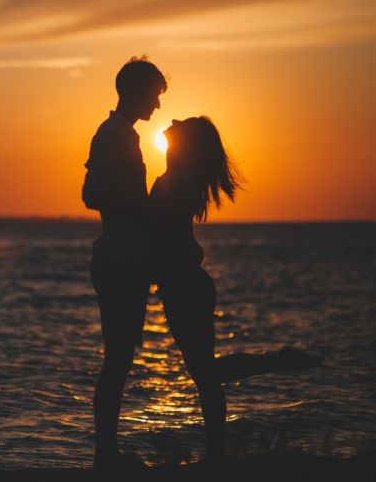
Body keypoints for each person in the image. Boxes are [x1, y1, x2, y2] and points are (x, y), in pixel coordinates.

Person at [150, 117, 322, 464]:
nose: (173, 120)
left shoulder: (178, 181)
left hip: (185, 286)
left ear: (186, 143)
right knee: (206, 375)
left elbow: (159, 231)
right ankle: (216, 454)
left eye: (181, 123)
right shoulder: (177, 177)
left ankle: (276, 362)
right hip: (183, 285)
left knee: (206, 374)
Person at [82, 56, 166, 471]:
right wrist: (140, 207)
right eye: (153, 95)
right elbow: (91, 193)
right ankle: (106, 457)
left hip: (126, 258)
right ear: (133, 92)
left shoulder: (123, 135)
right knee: (116, 359)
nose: (157, 104)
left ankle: (108, 455)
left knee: (119, 358)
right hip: (118, 259)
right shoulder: (114, 135)